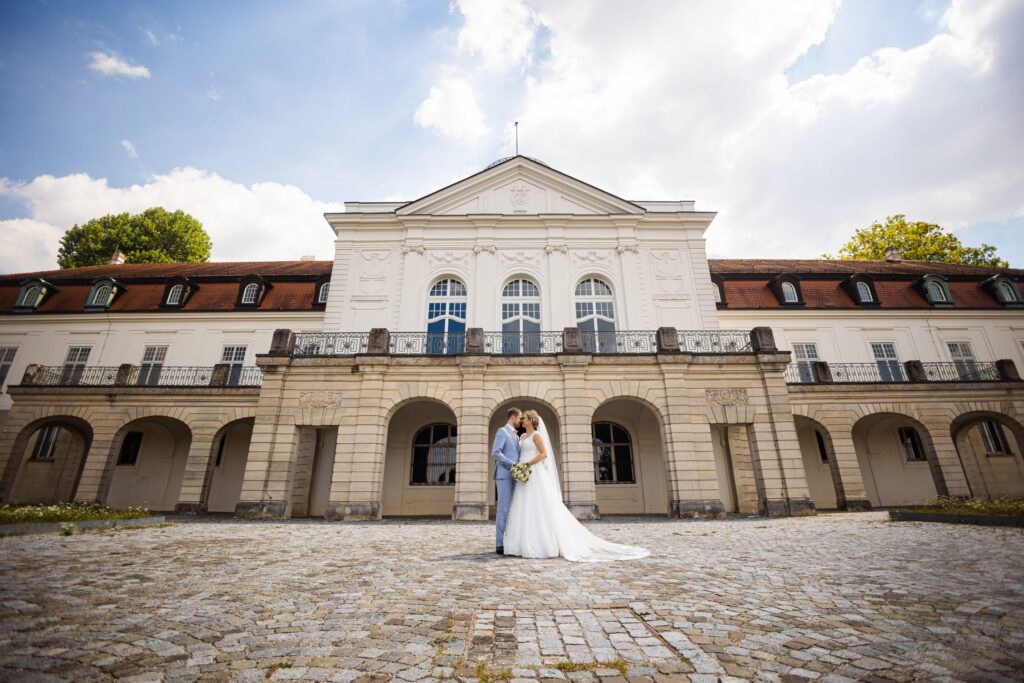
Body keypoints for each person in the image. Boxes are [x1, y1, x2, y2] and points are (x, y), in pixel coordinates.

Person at [503, 410, 650, 562]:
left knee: (539, 505)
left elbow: (544, 454)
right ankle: (521, 543)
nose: (522, 419)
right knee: (524, 506)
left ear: (531, 420)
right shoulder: (522, 436)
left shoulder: (536, 436)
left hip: (534, 472)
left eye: (524, 418)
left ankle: (543, 544)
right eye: (522, 418)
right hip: (524, 474)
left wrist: (526, 464)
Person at [490, 406, 522, 555]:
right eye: (519, 417)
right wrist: (513, 464)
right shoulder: (502, 432)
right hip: (504, 475)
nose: (521, 420)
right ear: (512, 417)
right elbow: (496, 452)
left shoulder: (516, 436)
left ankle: (510, 541)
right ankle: (499, 543)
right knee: (503, 509)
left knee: (513, 510)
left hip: (515, 476)